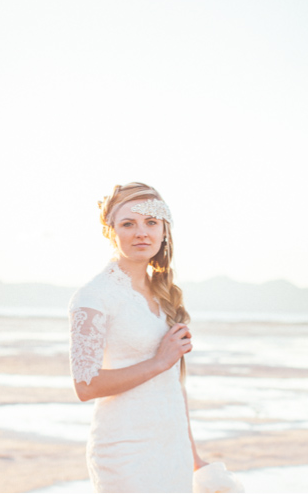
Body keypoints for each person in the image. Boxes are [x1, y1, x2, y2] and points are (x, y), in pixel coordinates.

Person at [68, 182, 207, 493]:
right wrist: (159, 361)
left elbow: (174, 383)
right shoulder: (94, 296)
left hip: (173, 450)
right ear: (111, 232)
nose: (141, 232)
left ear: (164, 231)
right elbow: (85, 386)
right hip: (125, 450)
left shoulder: (163, 295)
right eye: (128, 223)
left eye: (151, 223)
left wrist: (194, 456)